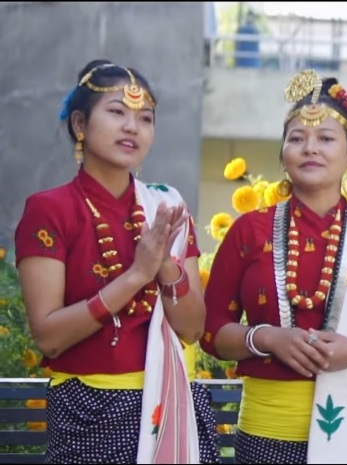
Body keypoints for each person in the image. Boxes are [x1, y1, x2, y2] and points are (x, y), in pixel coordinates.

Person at [199, 69, 347, 464]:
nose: (310, 148)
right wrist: (267, 338)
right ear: (283, 154)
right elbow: (212, 330)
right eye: (297, 139)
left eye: (325, 139)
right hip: (268, 434)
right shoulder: (248, 231)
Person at [14, 59, 220, 463]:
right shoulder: (49, 210)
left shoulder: (166, 207)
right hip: (86, 409)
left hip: (170, 400)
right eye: (116, 112)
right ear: (79, 124)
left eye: (145, 118)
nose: (132, 127)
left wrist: (165, 267)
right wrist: (136, 275)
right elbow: (49, 336)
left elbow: (193, 329)